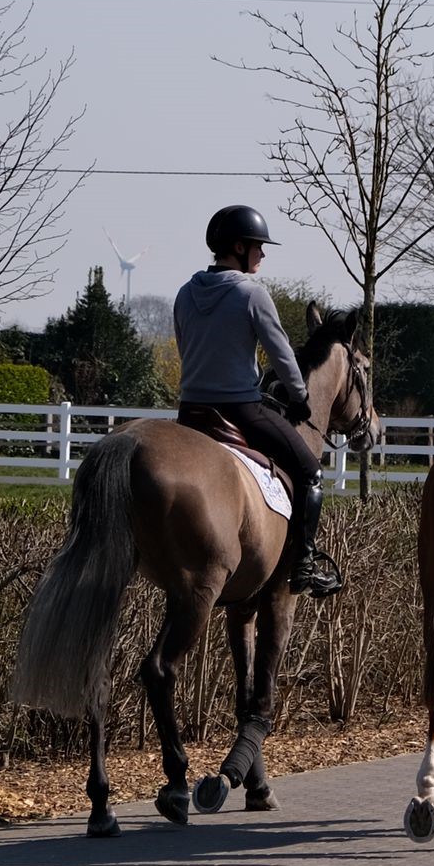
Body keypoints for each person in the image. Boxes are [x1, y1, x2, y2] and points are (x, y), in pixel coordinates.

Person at [173, 204, 333, 594]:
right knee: (311, 472)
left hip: (190, 412)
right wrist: (299, 397)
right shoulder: (252, 294)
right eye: (259, 246)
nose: (263, 254)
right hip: (240, 410)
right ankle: (304, 564)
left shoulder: (184, 292)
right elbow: (281, 355)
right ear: (240, 246)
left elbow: (185, 348)